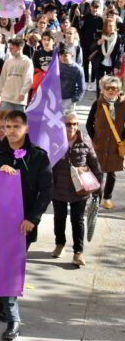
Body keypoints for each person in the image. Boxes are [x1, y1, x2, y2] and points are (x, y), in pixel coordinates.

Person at [0, 110, 52, 341]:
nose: (10, 131)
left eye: (15, 126)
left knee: (11, 271)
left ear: (26, 129)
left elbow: (46, 190)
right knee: (6, 270)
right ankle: (12, 315)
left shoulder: (39, 156)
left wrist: (33, 218)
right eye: (6, 127)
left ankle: (10, 312)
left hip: (23, 226)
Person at [52, 112, 102, 267]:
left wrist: (98, 189)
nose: (71, 127)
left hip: (80, 190)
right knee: (59, 218)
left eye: (74, 124)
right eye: (68, 124)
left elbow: (95, 165)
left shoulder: (85, 141)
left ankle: (78, 252)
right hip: (58, 188)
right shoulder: (54, 141)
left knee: (77, 220)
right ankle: (60, 244)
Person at [85, 75, 125, 210]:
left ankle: (107, 197)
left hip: (115, 145)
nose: (111, 91)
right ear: (103, 89)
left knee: (112, 173)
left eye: (114, 88)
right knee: (98, 172)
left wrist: (122, 141)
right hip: (99, 145)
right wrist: (95, 138)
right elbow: (89, 123)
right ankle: (96, 198)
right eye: (108, 88)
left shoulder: (123, 104)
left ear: (119, 90)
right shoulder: (97, 103)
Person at [0, 38, 33, 112]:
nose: (9, 50)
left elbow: (29, 79)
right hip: (6, 98)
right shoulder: (8, 61)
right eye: (9, 48)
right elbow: (2, 79)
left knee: (18, 122)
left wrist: (23, 92)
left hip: (19, 100)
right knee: (4, 122)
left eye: (12, 48)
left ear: (19, 48)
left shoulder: (27, 61)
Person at [91, 17, 121, 98]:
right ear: (105, 27)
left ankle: (108, 104)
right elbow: (91, 48)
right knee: (99, 85)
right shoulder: (100, 35)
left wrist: (117, 66)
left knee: (109, 86)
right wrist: (98, 43)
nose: (111, 28)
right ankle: (99, 103)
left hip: (111, 65)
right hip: (99, 63)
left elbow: (119, 53)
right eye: (109, 26)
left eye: (112, 26)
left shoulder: (118, 37)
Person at [58, 45, 85, 110]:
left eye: (65, 55)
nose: (62, 58)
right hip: (56, 98)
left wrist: (71, 100)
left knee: (69, 119)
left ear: (72, 55)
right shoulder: (56, 66)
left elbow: (82, 89)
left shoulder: (77, 69)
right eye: (60, 55)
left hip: (69, 100)